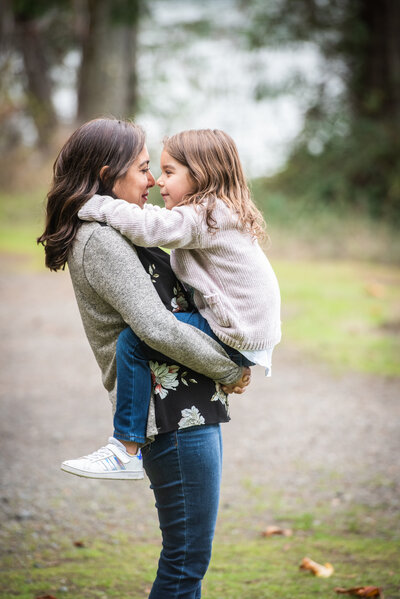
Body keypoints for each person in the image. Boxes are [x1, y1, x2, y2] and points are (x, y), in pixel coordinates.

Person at [37, 117, 250, 598]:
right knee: (185, 562)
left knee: (188, 559)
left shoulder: (121, 230)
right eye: (144, 168)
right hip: (167, 411)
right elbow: (154, 327)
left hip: (185, 404)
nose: (152, 180)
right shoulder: (99, 240)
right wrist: (230, 367)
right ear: (110, 173)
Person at [72, 128, 282, 477]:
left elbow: (149, 227)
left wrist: (98, 204)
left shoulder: (206, 215)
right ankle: (126, 448)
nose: (159, 183)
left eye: (169, 172)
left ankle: (124, 448)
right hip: (244, 331)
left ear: (200, 176)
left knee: (133, 342)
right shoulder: (214, 213)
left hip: (236, 332)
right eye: (155, 171)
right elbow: (158, 224)